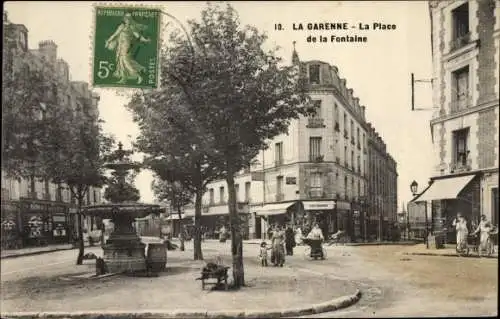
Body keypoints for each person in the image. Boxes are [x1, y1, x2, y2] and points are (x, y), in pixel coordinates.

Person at [105, 12, 151, 84]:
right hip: (120, 45)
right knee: (121, 61)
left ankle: (138, 76)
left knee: (125, 60)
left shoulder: (132, 27)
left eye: (129, 19)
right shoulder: (122, 26)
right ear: (124, 19)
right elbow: (115, 35)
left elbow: (138, 36)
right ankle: (124, 78)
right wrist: (108, 41)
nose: (128, 20)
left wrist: (145, 40)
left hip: (126, 46)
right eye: (127, 19)